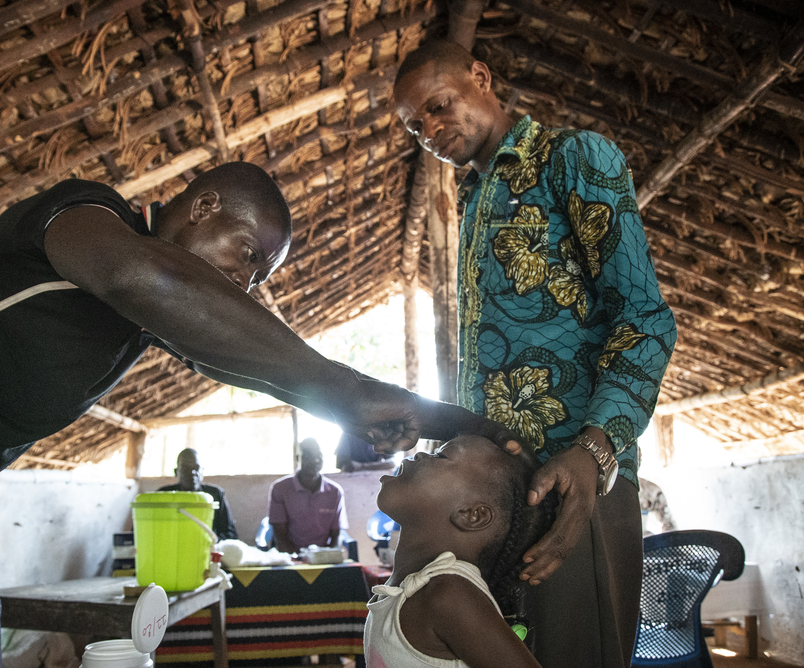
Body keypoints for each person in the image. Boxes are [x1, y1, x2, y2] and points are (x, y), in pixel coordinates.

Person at [0, 160, 521, 667]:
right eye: (246, 256)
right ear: (203, 205)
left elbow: (264, 368)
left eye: (256, 278)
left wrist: (456, 425)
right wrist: (348, 391)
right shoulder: (88, 218)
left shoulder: (147, 324)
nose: (243, 285)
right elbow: (142, 276)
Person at [393, 41, 678, 668]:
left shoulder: (573, 158)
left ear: (481, 78)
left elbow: (646, 319)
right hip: (501, 502)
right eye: (415, 126)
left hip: (577, 487)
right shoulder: (473, 202)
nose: (431, 131)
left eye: (438, 107)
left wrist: (595, 453)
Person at [365, 435, 557, 668]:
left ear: (472, 515)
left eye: (440, 456)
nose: (419, 454)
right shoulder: (404, 590)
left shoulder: (448, 593)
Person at [267, 437, 347, 553]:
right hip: (291, 557)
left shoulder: (335, 492)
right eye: (308, 455)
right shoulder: (280, 489)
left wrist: (328, 557)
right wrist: (299, 560)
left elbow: (336, 535)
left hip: (322, 557)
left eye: (319, 455)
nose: (315, 460)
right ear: (298, 458)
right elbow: (280, 536)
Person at [158, 448, 238, 540]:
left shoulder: (215, 495)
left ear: (202, 472)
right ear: (176, 472)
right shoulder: (163, 495)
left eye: (196, 468)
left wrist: (208, 542)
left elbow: (230, 534)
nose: (192, 473)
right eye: (186, 468)